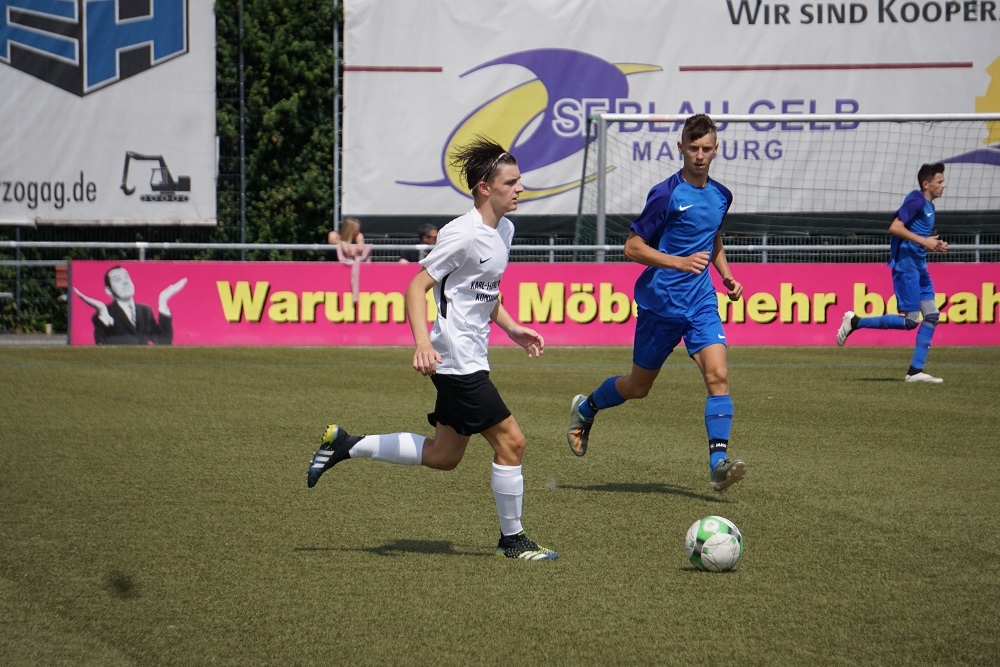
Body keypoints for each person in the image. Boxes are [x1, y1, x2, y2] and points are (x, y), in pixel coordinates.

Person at [306, 137, 557, 560]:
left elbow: (483, 291)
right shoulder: (462, 234)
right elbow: (415, 287)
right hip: (456, 359)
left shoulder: (505, 230)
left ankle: (346, 444)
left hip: (471, 355)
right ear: (484, 187)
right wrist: (422, 343)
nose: (520, 188)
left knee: (444, 455)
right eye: (510, 182)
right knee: (512, 443)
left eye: (519, 181)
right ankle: (512, 540)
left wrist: (513, 328)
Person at [565, 114, 747, 492]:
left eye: (706, 148)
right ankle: (586, 407)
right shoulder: (666, 194)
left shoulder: (722, 196)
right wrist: (679, 262)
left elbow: (712, 237)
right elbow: (632, 247)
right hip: (660, 305)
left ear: (716, 150)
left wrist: (726, 274)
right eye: (693, 148)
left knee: (718, 376)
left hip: (700, 302)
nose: (700, 155)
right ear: (681, 148)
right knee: (638, 387)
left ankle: (717, 465)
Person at [836, 162, 949, 383]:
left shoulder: (929, 206)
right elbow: (895, 227)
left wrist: (933, 243)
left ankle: (915, 372)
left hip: (920, 268)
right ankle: (856, 321)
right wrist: (924, 241)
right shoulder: (916, 200)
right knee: (910, 321)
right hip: (907, 268)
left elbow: (917, 235)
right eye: (939, 181)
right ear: (926, 184)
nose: (943, 185)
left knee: (932, 316)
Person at [73, 266, 186, 345]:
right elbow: (101, 348)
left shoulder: (145, 311)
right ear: (108, 291)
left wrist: (163, 301)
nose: (125, 282)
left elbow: (163, 341)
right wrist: (105, 320)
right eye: (118, 279)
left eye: (126, 277)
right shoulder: (104, 314)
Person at [331, 216, 372, 302]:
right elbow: (331, 239)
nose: (358, 231)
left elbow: (360, 245)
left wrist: (360, 242)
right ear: (350, 229)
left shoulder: (358, 235)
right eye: (357, 229)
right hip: (334, 270)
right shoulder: (335, 234)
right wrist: (342, 243)